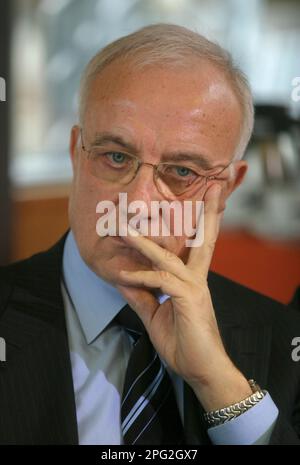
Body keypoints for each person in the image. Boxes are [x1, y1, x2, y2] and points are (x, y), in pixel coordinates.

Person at [0, 23, 300, 445]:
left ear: (228, 188)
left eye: (182, 172)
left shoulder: (288, 342)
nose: (137, 205)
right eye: (116, 156)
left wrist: (219, 384)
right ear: (76, 155)